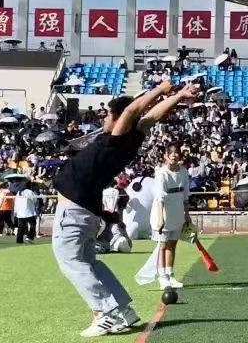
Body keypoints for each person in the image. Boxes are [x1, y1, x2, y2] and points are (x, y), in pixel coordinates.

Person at [52, 81, 196, 337]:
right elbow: (151, 116)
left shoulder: (116, 140)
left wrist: (160, 89)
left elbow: (133, 111)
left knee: (71, 262)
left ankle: (104, 313)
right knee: (88, 262)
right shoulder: (130, 139)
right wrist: (179, 96)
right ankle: (123, 310)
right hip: (86, 210)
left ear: (119, 118)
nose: (103, 118)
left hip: (73, 210)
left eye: (108, 114)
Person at [151, 143, 192, 290]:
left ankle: (170, 275)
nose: (174, 155)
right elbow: (159, 197)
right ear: (166, 156)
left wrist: (187, 215)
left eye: (176, 152)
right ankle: (162, 277)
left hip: (177, 212)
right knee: (162, 246)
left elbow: (185, 195)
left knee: (172, 245)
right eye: (171, 152)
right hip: (163, 212)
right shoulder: (161, 173)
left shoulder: (183, 171)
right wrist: (160, 218)